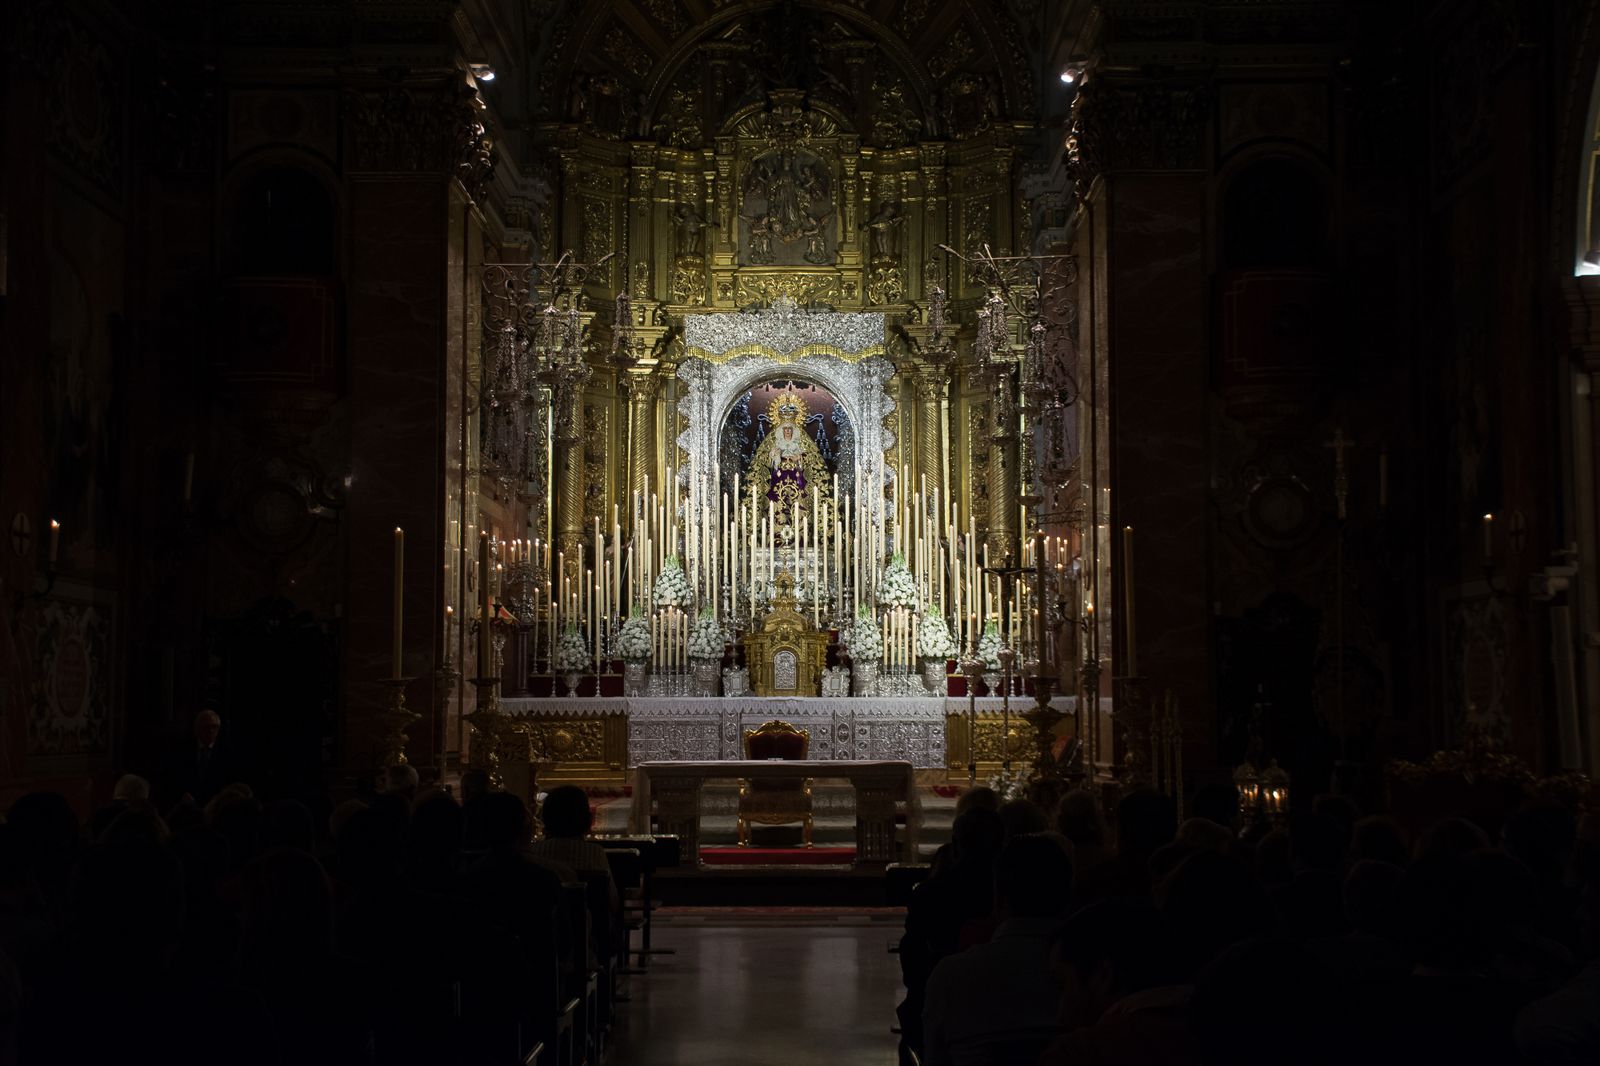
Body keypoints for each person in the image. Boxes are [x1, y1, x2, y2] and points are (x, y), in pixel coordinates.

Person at [921, 834, 1073, 1065]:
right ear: (1069, 897)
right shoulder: (1090, 974)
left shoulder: (952, 975)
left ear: (998, 899)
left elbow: (935, 1057)